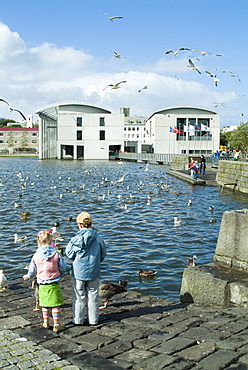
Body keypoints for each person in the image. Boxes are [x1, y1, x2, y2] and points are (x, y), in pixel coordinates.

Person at [65, 212, 106, 326]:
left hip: (78, 272)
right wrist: (97, 261)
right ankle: (93, 320)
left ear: (79, 224)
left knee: (79, 296)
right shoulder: (98, 237)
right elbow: (103, 253)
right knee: (93, 296)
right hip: (94, 270)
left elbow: (69, 254)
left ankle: (78, 320)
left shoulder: (76, 239)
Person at [23, 230, 66, 333]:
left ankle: (45, 322)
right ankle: (56, 325)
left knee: (44, 304)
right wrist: (61, 271)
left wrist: (28, 276)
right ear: (51, 240)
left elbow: (32, 268)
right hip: (54, 282)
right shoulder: (56, 253)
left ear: (38, 240)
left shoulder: (36, 255)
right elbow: (63, 267)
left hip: (42, 282)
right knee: (55, 305)